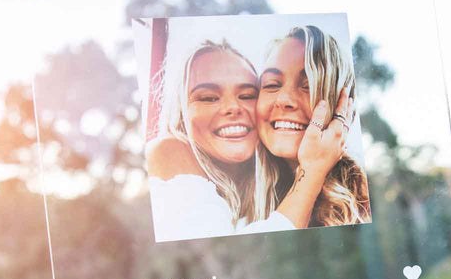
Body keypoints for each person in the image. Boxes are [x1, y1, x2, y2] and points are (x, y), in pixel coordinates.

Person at [147, 38, 349, 240]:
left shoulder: (269, 181)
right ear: (182, 112)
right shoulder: (168, 150)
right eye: (208, 97)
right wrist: (313, 170)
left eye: (246, 95)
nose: (232, 107)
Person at [257, 26, 371, 227]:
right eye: (271, 84)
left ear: (341, 104)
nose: (284, 99)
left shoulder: (362, 206)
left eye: (308, 86)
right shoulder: (235, 204)